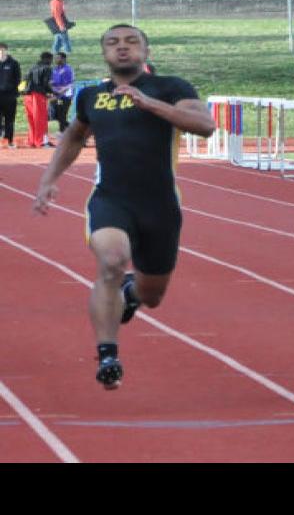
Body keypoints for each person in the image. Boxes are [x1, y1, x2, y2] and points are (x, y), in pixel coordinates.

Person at [32, 24, 215, 389]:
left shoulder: (171, 87)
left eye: (132, 42)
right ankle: (108, 355)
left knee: (152, 296)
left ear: (146, 51)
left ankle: (132, 294)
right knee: (112, 262)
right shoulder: (91, 96)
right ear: (104, 53)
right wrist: (49, 179)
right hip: (111, 199)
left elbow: (205, 125)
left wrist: (150, 104)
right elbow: (74, 136)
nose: (122, 47)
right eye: (113, 43)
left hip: (160, 205)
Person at [23, 52, 54, 148]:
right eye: (51, 59)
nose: (51, 62)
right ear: (48, 59)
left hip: (27, 95)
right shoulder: (47, 68)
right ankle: (41, 141)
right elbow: (45, 83)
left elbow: (24, 79)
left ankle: (32, 141)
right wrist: (51, 92)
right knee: (41, 118)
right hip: (38, 95)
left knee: (32, 118)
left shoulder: (32, 67)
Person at [0, 43, 21, 148]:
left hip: (10, 97)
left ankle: (10, 141)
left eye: (2, 50)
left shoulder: (14, 63)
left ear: (6, 50)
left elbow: (18, 79)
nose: (1, 52)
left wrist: (11, 89)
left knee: (10, 120)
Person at [50, 52, 75, 135]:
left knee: (62, 114)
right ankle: (73, 130)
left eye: (58, 58)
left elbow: (70, 84)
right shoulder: (55, 69)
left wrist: (60, 92)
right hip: (55, 94)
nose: (56, 59)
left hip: (65, 95)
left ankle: (62, 131)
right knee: (54, 115)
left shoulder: (67, 69)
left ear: (63, 59)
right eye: (55, 58)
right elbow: (52, 81)